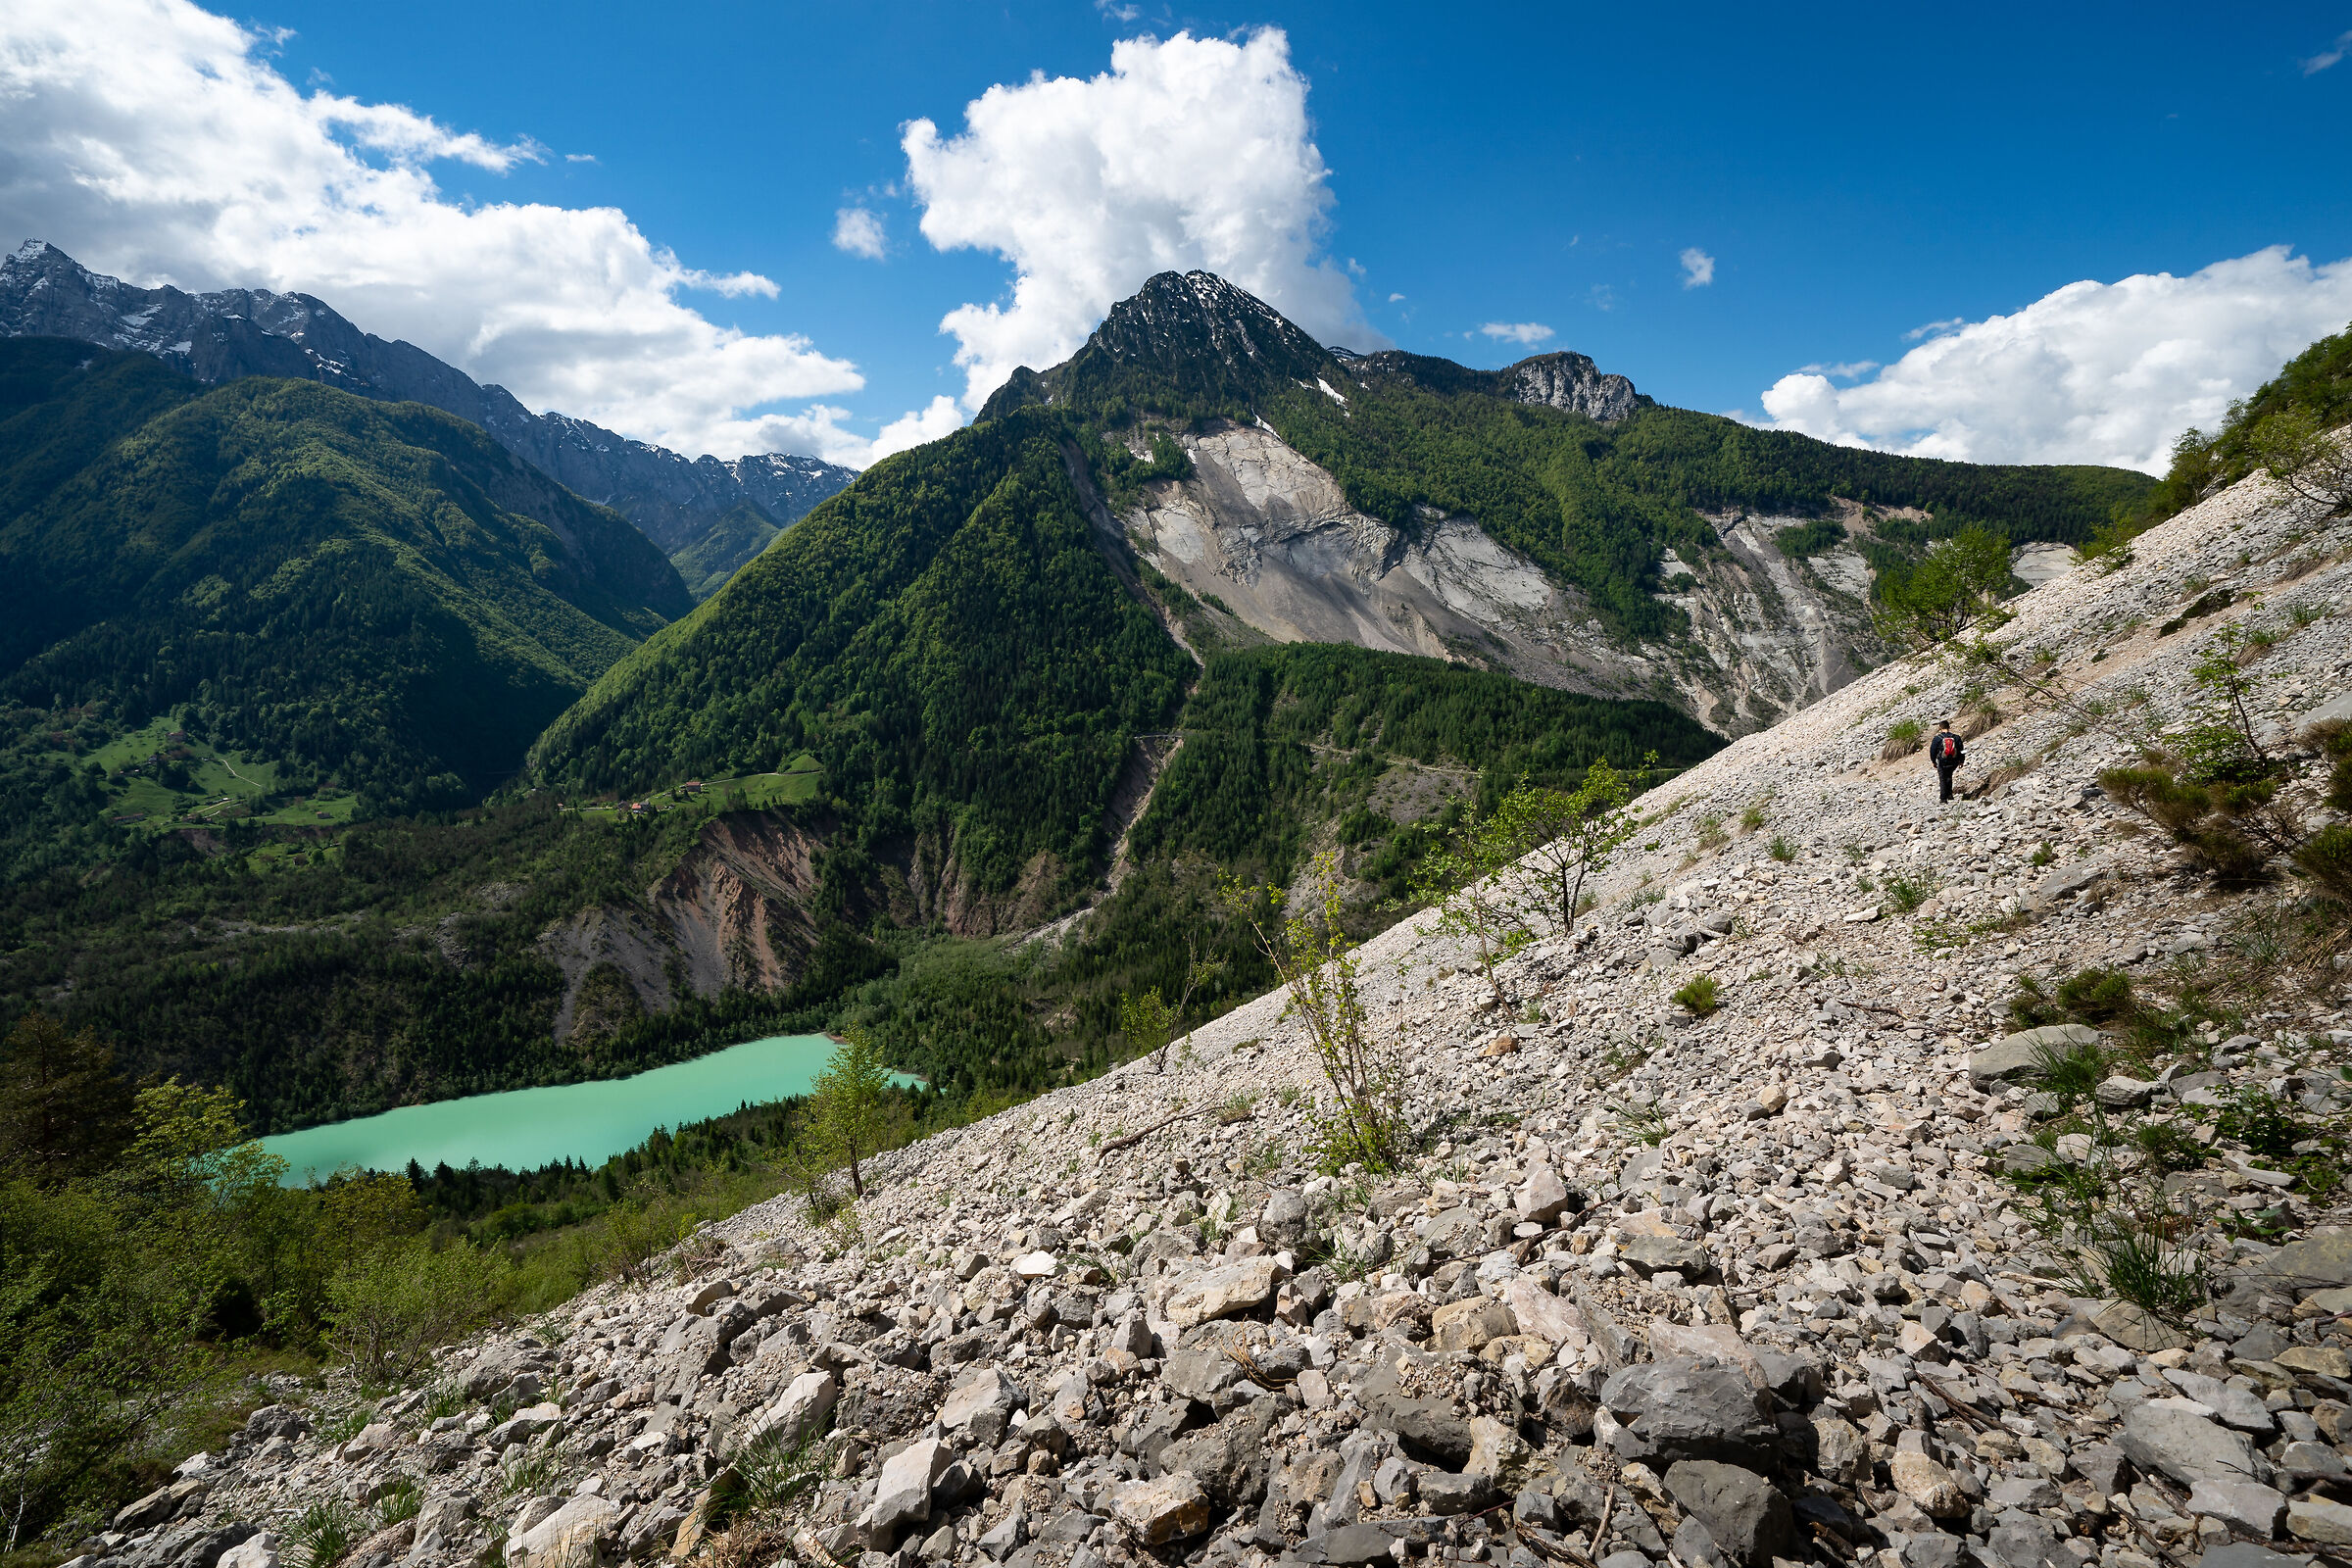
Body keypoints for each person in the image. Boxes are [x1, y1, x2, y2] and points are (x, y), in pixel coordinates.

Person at [1926, 719, 1966, 803]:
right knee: (1949, 776)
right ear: (1949, 727)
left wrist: (1933, 761)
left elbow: (1932, 750)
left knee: (1943, 778)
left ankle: (1943, 798)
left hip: (1942, 761)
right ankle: (1950, 795)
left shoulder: (1937, 738)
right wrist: (1961, 760)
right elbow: (1961, 750)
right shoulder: (1956, 737)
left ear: (1940, 728)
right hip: (1954, 761)